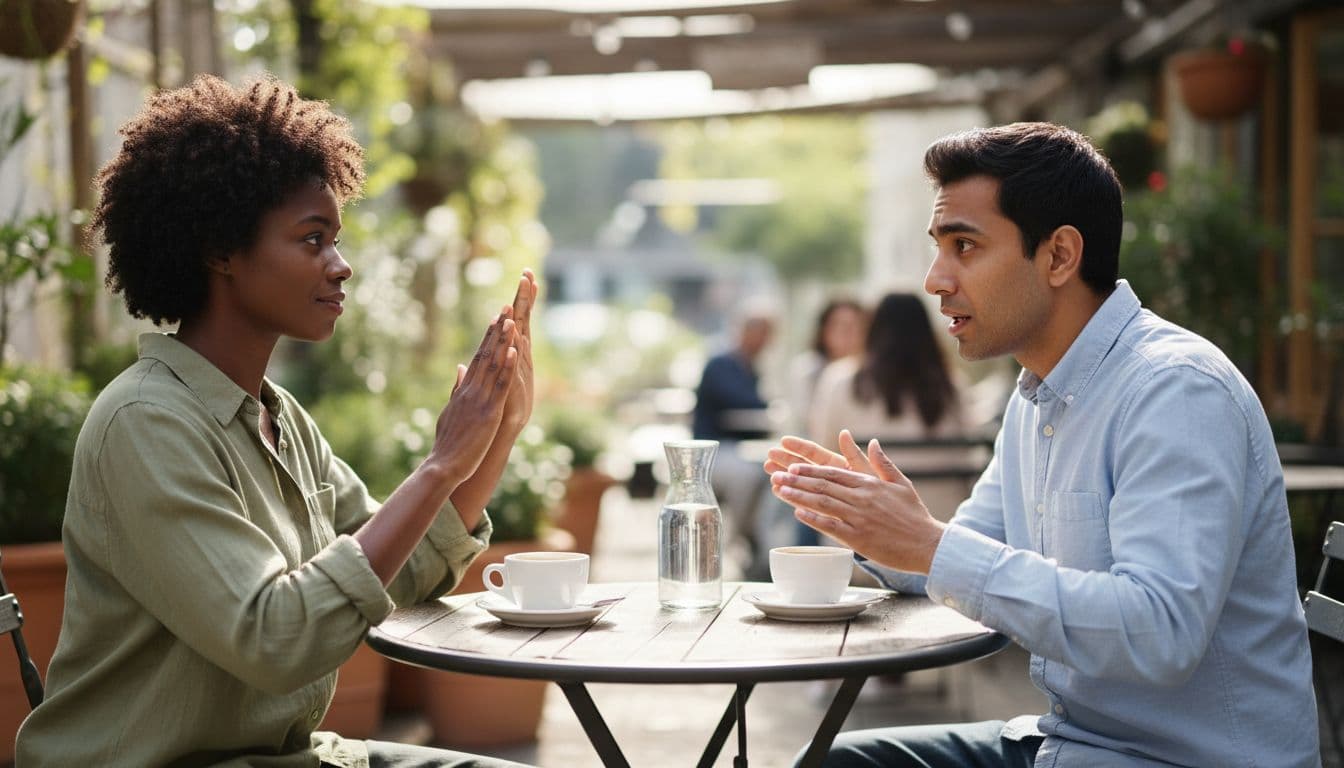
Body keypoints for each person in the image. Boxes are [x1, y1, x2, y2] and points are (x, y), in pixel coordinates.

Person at [15, 74, 537, 768]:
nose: (341, 266)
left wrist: (496, 432)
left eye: (336, 240)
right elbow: (277, 637)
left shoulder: (277, 419)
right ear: (220, 251)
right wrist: (439, 465)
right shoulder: (145, 424)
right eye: (313, 239)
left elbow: (399, 568)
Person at [766, 122, 1320, 766]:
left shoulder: (1175, 392)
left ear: (1059, 255)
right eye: (939, 248)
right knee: (832, 759)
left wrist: (929, 545)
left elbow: (1160, 632)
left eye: (964, 246)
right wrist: (873, 522)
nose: (935, 279)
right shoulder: (1035, 397)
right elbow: (964, 550)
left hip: (1180, 758)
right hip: (1069, 741)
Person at [808, 292, 970, 524]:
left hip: (864, 529)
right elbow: (965, 456)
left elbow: (824, 451)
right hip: (943, 524)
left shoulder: (840, 382)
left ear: (872, 329)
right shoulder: (952, 387)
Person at [787, 297, 867, 435]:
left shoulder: (871, 372)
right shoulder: (807, 369)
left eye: (854, 326)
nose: (847, 334)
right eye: (840, 326)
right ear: (824, 330)